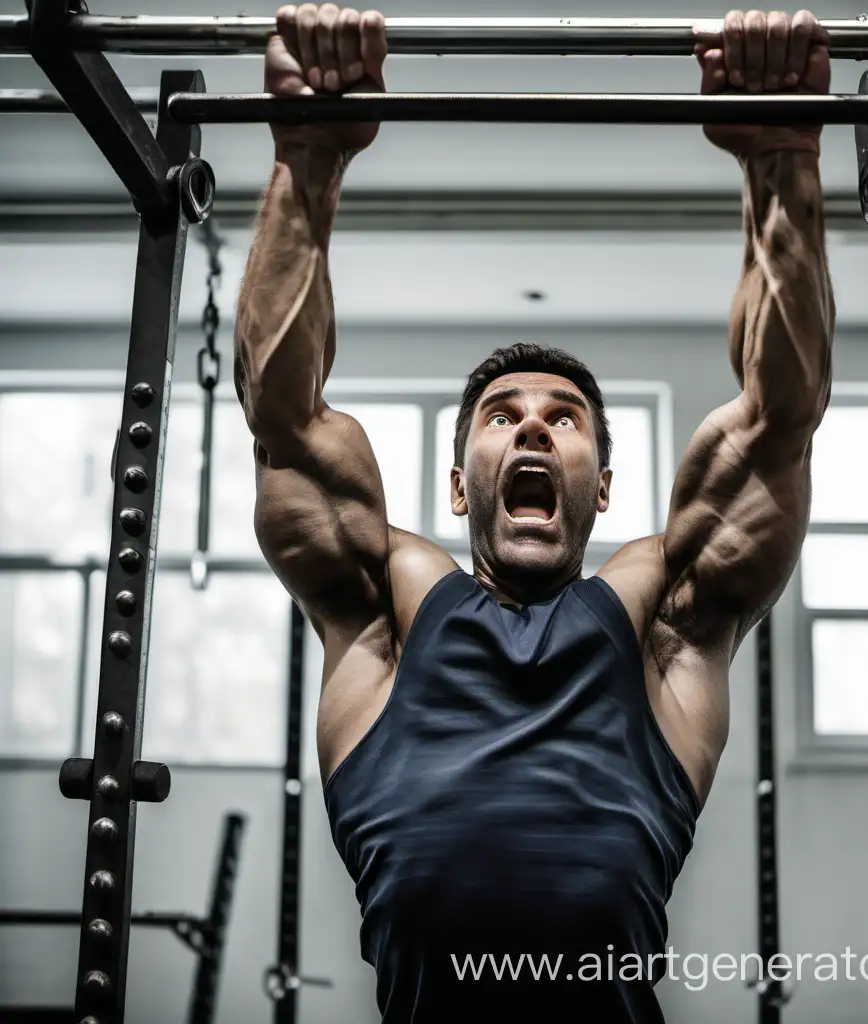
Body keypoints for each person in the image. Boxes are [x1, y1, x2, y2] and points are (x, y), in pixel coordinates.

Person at [234, 6, 834, 1022]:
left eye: (565, 421)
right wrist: (308, 156)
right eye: (502, 417)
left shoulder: (658, 622)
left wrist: (780, 160)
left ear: (600, 485)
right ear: (459, 482)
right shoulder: (385, 618)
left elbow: (776, 425)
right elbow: (285, 421)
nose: (532, 431)